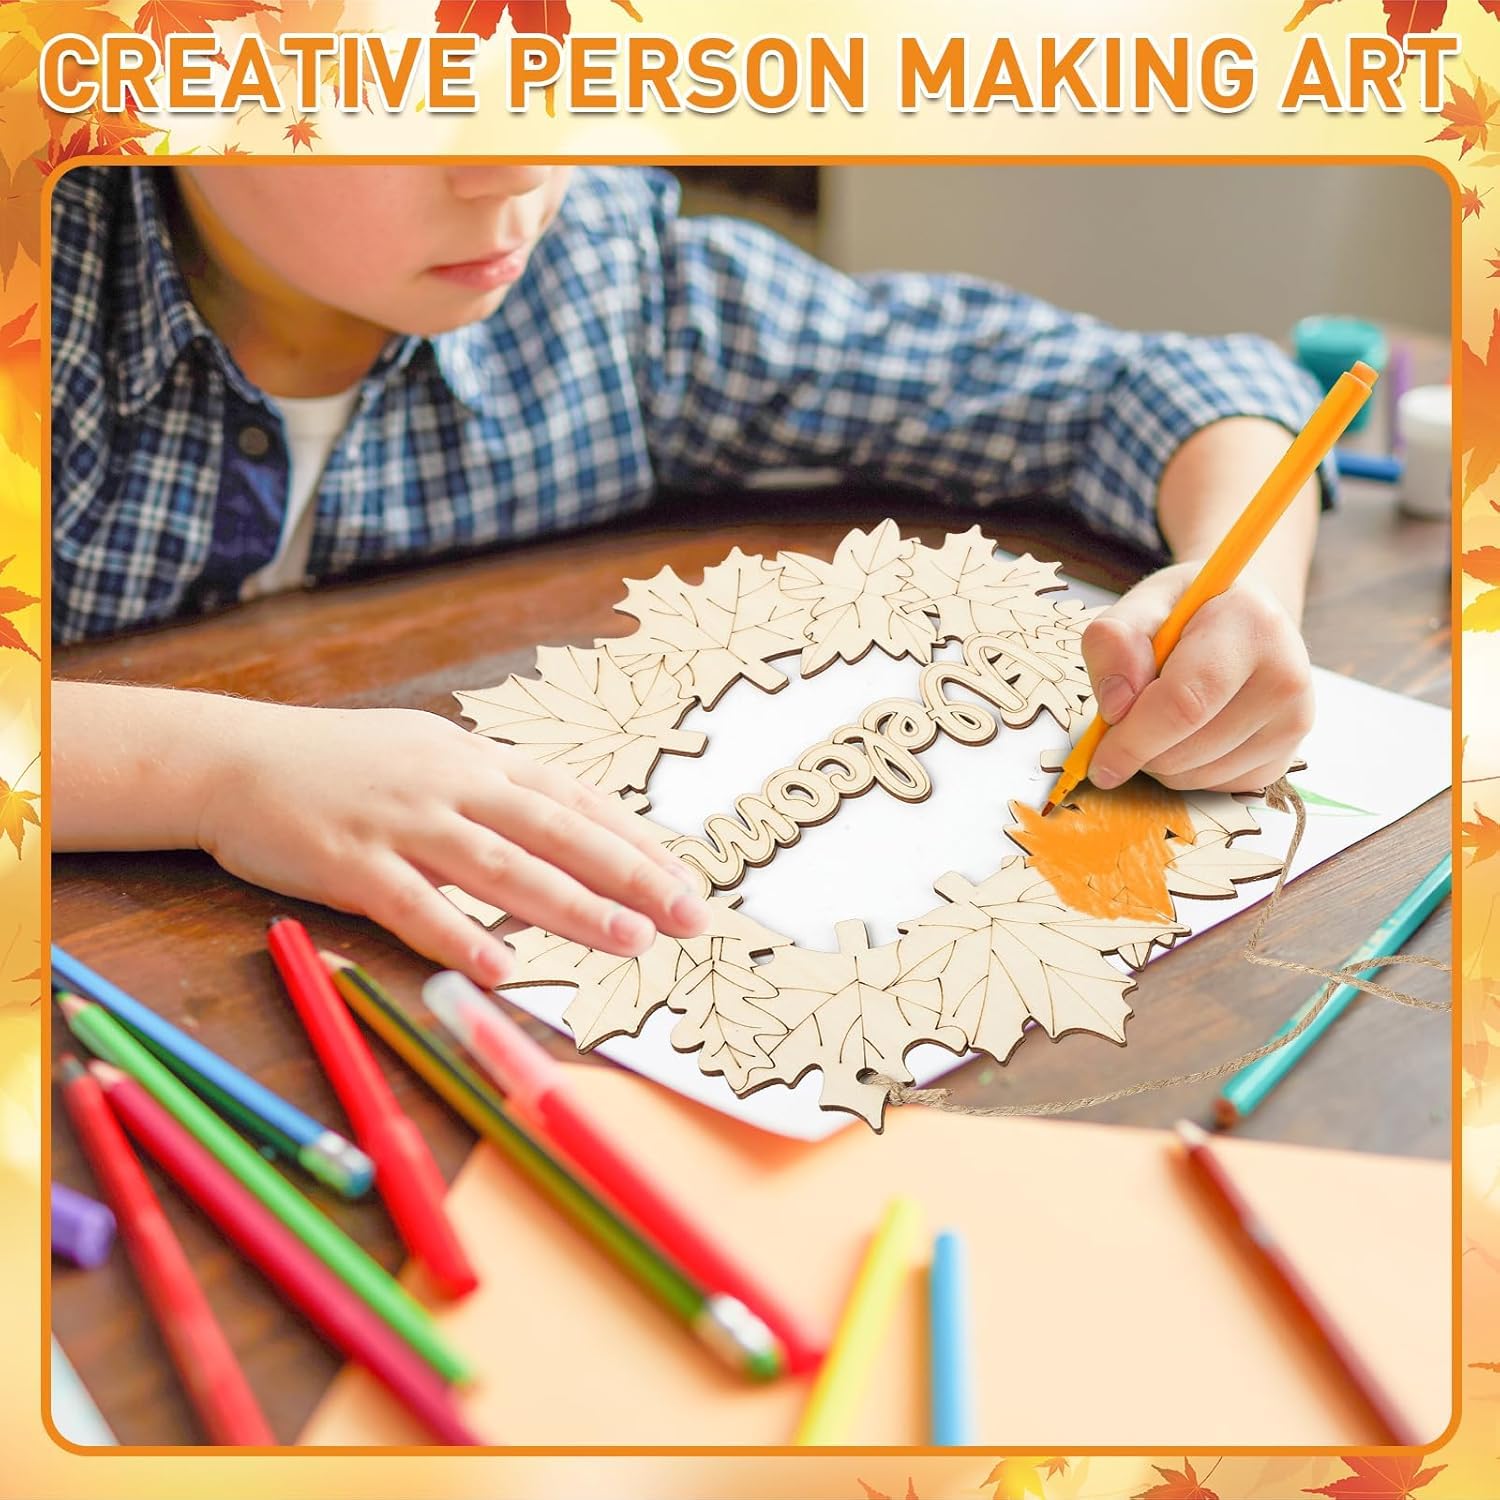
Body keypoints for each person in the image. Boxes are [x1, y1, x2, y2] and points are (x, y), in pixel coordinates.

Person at [51, 164, 1324, 986]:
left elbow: (1151, 385)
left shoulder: (612, 290)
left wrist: (1239, 581)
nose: (515, 162)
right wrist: (222, 771)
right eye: (412, 84)